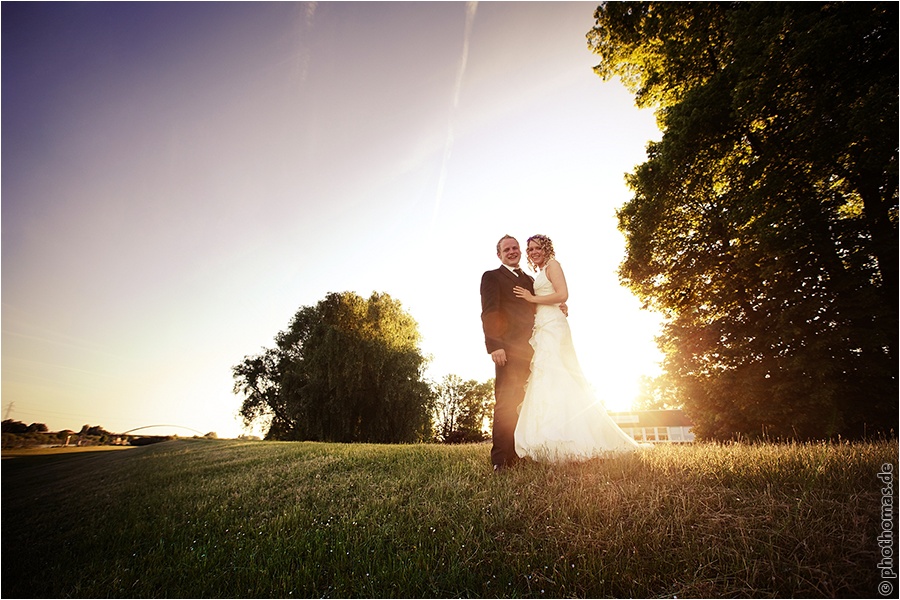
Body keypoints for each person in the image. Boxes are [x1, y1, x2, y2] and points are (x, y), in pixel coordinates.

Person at [512, 234, 639, 462]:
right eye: (529, 249)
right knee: (545, 377)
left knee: (557, 374)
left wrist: (532, 299)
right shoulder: (540, 272)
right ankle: (546, 439)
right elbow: (553, 297)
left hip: (554, 326)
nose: (533, 252)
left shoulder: (553, 265)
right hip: (543, 325)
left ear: (546, 249)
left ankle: (569, 437)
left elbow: (563, 294)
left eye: (537, 248)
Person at [480, 235, 536, 472]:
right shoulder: (492, 277)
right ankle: (501, 460)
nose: (512, 251)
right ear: (499, 254)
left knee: (526, 402)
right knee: (506, 402)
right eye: (506, 249)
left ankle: (520, 452)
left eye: (515, 248)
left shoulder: (529, 279)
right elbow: (489, 311)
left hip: (533, 349)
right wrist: (495, 345)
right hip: (507, 349)